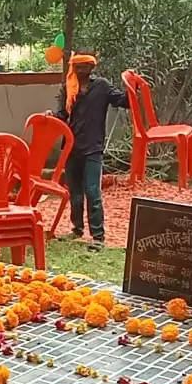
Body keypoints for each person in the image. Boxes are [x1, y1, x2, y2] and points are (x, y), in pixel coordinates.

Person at [54, 53, 128, 248]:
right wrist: (50, 116)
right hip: (71, 147)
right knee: (75, 192)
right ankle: (76, 229)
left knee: (93, 191)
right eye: (77, 67)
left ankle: (98, 237)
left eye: (85, 66)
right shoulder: (68, 88)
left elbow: (123, 101)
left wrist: (133, 86)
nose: (80, 70)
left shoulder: (102, 86)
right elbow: (62, 114)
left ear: (91, 67)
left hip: (93, 148)